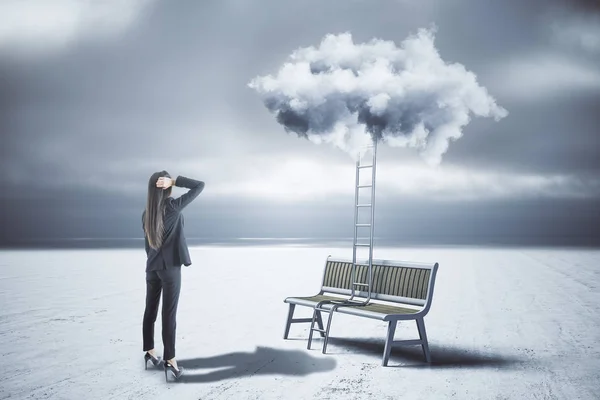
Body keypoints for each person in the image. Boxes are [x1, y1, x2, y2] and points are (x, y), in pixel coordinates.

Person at [141, 171, 205, 382]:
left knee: (150, 310)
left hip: (152, 267)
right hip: (170, 269)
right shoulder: (173, 206)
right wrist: (176, 181)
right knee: (169, 315)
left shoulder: (146, 213)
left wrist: (154, 262)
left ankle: (149, 352)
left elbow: (147, 246)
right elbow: (199, 185)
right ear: (166, 187)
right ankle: (171, 360)